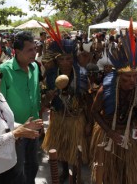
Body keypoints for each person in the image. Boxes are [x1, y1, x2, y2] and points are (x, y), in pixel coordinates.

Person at [90, 25, 137, 184]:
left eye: (135, 76)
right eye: (127, 78)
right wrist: (109, 132)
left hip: (131, 138)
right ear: (118, 76)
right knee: (109, 176)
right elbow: (94, 112)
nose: (132, 81)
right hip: (111, 135)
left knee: (128, 177)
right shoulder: (106, 90)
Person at [41, 27, 91, 183]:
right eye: (61, 59)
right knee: (60, 147)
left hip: (76, 118)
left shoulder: (81, 73)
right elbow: (44, 101)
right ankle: (64, 171)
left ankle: (75, 173)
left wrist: (89, 122)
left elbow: (87, 100)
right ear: (56, 60)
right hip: (58, 118)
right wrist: (49, 97)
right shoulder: (50, 75)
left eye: (68, 58)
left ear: (73, 58)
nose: (65, 63)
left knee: (76, 150)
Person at [0, 31, 41, 184]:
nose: (34, 53)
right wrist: (10, 131)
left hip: (34, 128)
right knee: (17, 170)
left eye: (35, 49)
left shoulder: (35, 67)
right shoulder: (4, 70)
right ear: (16, 51)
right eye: (29, 50)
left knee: (33, 165)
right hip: (15, 131)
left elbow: (36, 95)